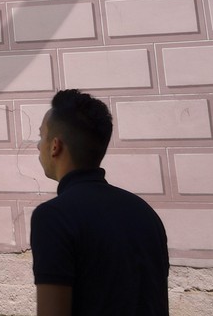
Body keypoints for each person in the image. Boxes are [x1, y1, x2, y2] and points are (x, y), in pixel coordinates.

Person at [31, 89, 169, 316]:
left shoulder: (53, 217)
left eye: (41, 136)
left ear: (55, 146)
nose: (38, 146)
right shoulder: (144, 211)